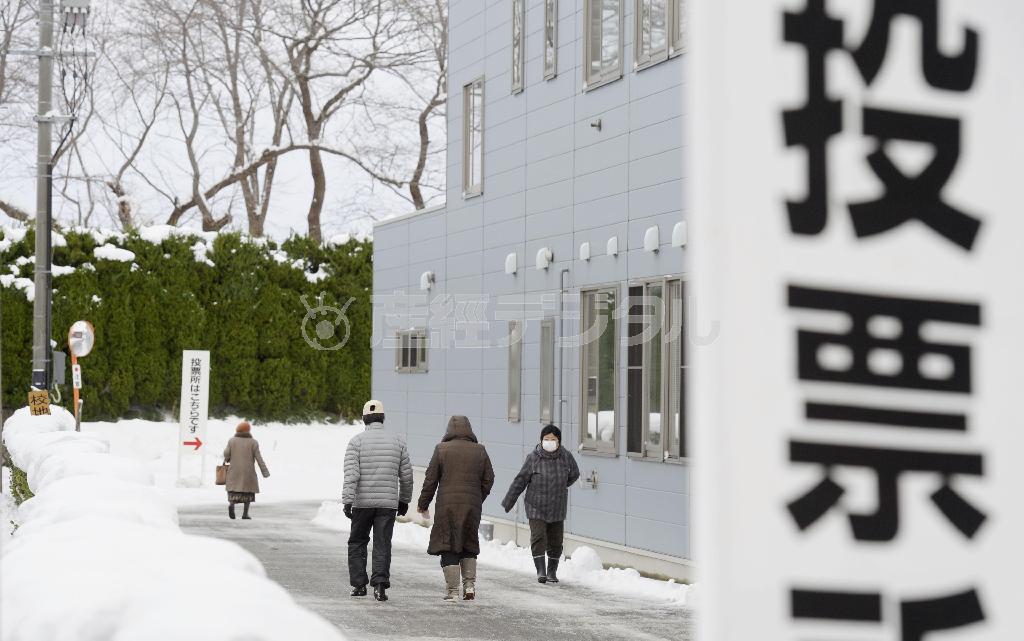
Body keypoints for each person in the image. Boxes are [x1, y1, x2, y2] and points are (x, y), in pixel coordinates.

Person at [417, 416, 495, 602]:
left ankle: (452, 591)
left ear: (449, 430)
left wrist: (423, 504)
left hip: (447, 506)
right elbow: (489, 478)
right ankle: (469, 585)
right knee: (468, 542)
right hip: (471, 505)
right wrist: (478, 497)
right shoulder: (480, 450)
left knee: (448, 544)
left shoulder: (442, 449)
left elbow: (430, 480)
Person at [342, 400, 413, 602]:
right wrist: (404, 500)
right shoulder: (398, 442)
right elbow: (406, 476)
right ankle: (380, 586)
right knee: (382, 543)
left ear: (364, 418)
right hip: (387, 504)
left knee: (357, 542)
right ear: (383, 418)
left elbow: (351, 475)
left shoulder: (356, 442)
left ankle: (359, 585)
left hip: (362, 504)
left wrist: (348, 500)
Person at [501, 424, 580, 584]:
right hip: (535, 506)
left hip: (557, 506)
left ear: (559, 441)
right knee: (539, 537)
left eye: (553, 439)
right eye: (546, 439)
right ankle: (541, 571)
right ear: (541, 440)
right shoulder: (533, 458)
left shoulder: (566, 456)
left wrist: (562, 485)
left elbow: (574, 474)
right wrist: (509, 501)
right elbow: (521, 480)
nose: (549, 441)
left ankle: (552, 572)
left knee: (556, 541)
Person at [222, 421, 270, 521]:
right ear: (248, 430)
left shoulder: (232, 441)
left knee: (233, 490)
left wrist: (227, 458)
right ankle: (245, 514)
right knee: (248, 493)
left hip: (234, 470)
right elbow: (259, 458)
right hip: (248, 472)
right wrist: (265, 472)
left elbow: (226, 453)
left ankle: (232, 505)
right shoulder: (253, 442)